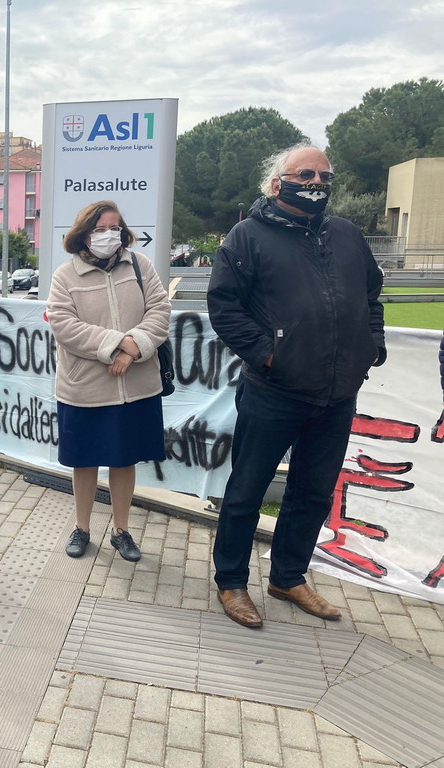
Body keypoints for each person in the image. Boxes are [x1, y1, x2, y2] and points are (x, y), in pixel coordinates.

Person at [207, 143, 386, 628]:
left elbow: (372, 295)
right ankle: (231, 582)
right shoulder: (247, 236)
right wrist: (269, 355)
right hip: (274, 391)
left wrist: (372, 346)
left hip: (337, 394)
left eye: (324, 177)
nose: (315, 183)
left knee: (312, 492)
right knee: (246, 491)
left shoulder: (347, 235)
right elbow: (224, 306)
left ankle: (288, 577)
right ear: (277, 183)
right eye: (305, 175)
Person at [47, 201, 171, 561]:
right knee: (84, 461)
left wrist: (133, 350)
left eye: (114, 228)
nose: (109, 235)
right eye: (100, 229)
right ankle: (82, 528)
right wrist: (116, 344)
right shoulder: (65, 276)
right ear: (84, 234)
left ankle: (121, 531)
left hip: (136, 386)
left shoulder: (140, 265)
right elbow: (65, 326)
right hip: (85, 387)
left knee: (124, 460)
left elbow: (160, 311)